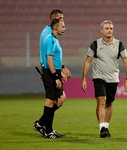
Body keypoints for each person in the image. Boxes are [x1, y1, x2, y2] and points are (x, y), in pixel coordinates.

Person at [81, 20, 127, 138]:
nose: (109, 30)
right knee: (101, 100)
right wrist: (84, 78)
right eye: (107, 28)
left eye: (111, 28)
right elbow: (88, 62)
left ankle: (106, 127)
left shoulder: (119, 44)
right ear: (101, 30)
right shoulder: (95, 44)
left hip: (113, 78)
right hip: (99, 77)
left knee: (109, 103)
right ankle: (102, 127)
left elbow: (126, 62)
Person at [34, 10, 71, 138]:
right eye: (61, 20)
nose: (63, 23)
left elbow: (52, 55)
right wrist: (49, 72)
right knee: (51, 101)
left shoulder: (53, 37)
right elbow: (47, 56)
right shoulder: (48, 35)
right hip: (49, 71)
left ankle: (42, 124)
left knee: (60, 99)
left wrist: (61, 70)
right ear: (54, 20)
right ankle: (46, 129)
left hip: (52, 70)